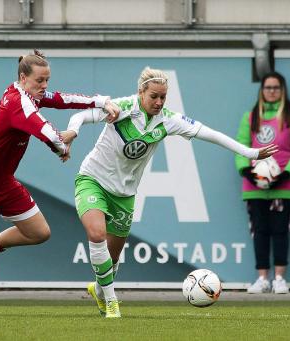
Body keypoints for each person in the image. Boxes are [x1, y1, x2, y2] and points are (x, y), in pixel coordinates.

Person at [62, 66, 278, 318]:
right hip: (93, 179)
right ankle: (111, 301)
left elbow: (209, 133)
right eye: (154, 96)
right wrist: (72, 133)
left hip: (125, 193)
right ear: (141, 92)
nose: (159, 101)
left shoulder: (167, 119)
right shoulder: (122, 107)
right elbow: (83, 116)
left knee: (113, 255)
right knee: (97, 233)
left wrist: (249, 152)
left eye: (163, 97)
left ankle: (99, 290)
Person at [0, 50, 120, 316]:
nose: (45, 87)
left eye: (47, 80)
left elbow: (64, 99)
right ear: (23, 78)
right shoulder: (17, 103)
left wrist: (102, 102)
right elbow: (43, 129)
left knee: (39, 232)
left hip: (3, 183)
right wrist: (61, 146)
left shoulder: (30, 95)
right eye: (40, 81)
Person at [235, 72, 290, 295]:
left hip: (283, 186)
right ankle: (262, 278)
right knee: (260, 231)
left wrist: (286, 174)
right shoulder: (251, 117)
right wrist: (247, 171)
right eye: (268, 87)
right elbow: (240, 145)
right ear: (262, 90)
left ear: (282, 89)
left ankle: (279, 278)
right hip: (255, 188)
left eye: (276, 87)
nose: (272, 91)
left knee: (279, 230)